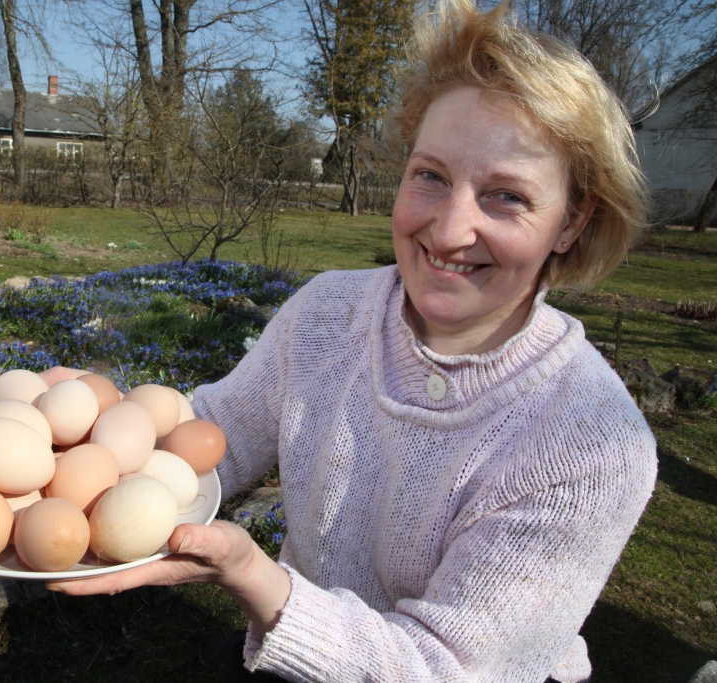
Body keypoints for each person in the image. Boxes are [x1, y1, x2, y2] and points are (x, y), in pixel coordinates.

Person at [44, 1, 657, 681]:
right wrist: (86, 444)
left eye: (506, 195)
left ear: (572, 222)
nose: (450, 230)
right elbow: (216, 433)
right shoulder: (329, 312)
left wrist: (260, 583)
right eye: (431, 175)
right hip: (302, 646)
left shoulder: (593, 442)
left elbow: (450, 667)